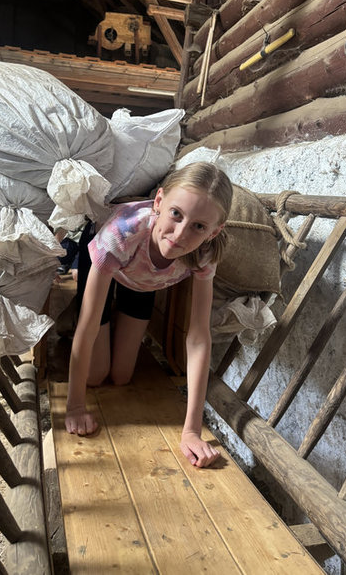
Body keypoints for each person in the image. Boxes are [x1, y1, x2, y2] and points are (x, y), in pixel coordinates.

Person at [65, 161, 233, 468]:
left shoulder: (205, 253)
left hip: (145, 280)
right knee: (96, 375)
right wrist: (75, 406)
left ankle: (115, 320)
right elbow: (88, 327)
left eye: (198, 227)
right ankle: (87, 285)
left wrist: (192, 431)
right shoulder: (121, 234)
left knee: (121, 376)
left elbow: (198, 336)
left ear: (214, 232)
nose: (180, 234)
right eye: (176, 214)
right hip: (112, 260)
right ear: (158, 202)